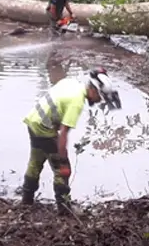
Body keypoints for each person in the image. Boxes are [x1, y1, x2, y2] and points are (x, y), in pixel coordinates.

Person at [20, 67, 122, 214]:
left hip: (33, 121)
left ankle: (26, 201)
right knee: (62, 171)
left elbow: (55, 101)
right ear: (93, 90)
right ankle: (64, 208)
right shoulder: (77, 102)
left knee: (36, 161)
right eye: (100, 97)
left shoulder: (71, 83)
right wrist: (62, 160)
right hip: (44, 129)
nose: (99, 101)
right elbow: (63, 134)